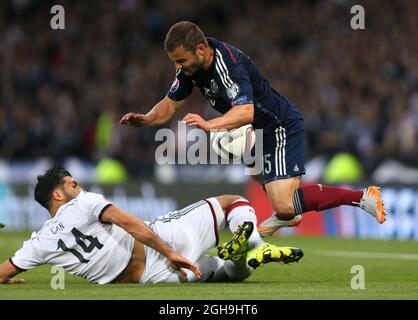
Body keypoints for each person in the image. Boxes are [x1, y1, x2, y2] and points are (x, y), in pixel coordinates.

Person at [120, 21, 386, 237]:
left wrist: (210, 124)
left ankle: (363, 197)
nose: (177, 67)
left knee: (282, 203)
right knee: (259, 175)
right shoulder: (191, 70)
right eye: (174, 62)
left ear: (201, 49)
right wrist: (146, 118)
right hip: (255, 130)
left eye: (180, 60)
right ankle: (287, 211)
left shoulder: (228, 66)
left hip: (278, 125)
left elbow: (246, 111)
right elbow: (169, 105)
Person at [0, 167, 303, 285]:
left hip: (153, 278)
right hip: (162, 240)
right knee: (233, 202)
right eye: (72, 184)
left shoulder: (39, 244)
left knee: (228, 275)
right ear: (58, 194)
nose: (78, 187)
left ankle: (249, 254)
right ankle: (255, 243)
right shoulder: (83, 202)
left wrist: (10, 279)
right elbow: (128, 221)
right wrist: (169, 251)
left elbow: (2, 273)